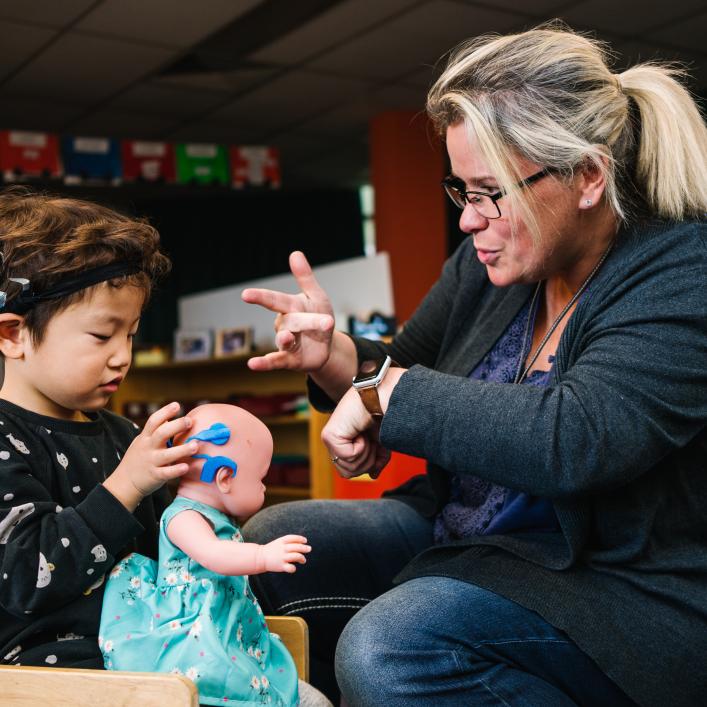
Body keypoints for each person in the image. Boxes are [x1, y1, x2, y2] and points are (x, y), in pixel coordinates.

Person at [240, 22, 707, 707]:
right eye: (460, 190)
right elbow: (395, 373)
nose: (467, 220)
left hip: (614, 581)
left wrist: (384, 392)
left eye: (490, 192)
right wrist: (335, 359)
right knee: (272, 545)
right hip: (468, 539)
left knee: (393, 645)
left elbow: (572, 437)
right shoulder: (489, 264)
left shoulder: (682, 271)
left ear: (586, 176)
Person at [0, 187, 194, 671]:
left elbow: (165, 549)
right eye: (101, 335)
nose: (122, 356)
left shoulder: (123, 433)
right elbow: (27, 577)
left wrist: (204, 501)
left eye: (130, 334)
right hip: (53, 670)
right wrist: (127, 486)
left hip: (152, 647)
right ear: (13, 334)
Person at [99, 403, 329, 707]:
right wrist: (263, 556)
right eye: (260, 478)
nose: (263, 487)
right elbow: (213, 554)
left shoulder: (213, 515)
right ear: (224, 478)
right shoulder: (183, 517)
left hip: (227, 630)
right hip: (198, 639)